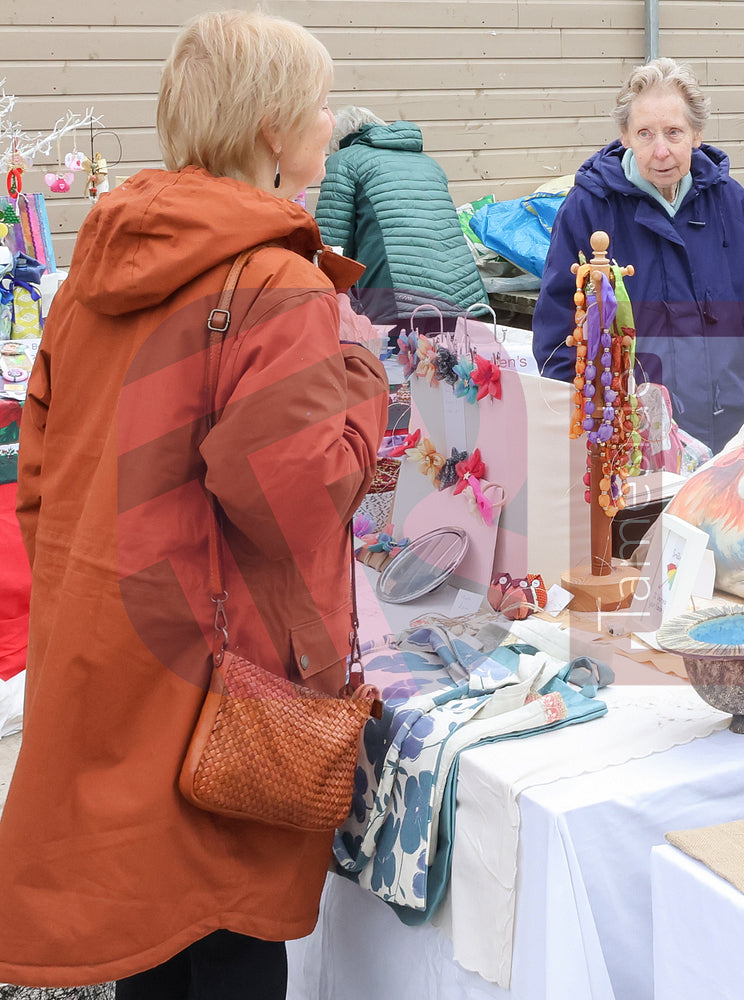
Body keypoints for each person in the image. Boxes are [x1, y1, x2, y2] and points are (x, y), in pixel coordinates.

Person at [0, 10, 387, 997]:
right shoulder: (274, 281)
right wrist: (362, 381)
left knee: (152, 937)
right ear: (272, 131)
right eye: (319, 104)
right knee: (224, 938)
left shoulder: (96, 268)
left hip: (114, 649)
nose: (332, 120)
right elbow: (293, 498)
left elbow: (38, 480)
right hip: (221, 681)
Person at [532, 57, 744, 452]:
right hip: (635, 446)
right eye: (645, 133)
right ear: (624, 135)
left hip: (734, 437)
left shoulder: (729, 202)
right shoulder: (588, 210)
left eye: (674, 133)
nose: (661, 151)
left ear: (696, 134)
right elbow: (558, 338)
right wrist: (600, 428)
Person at [314, 107, 486, 324]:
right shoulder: (428, 163)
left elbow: (332, 244)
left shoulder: (344, 160)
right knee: (450, 356)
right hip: (464, 295)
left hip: (398, 298)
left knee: (397, 357)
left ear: (339, 139)